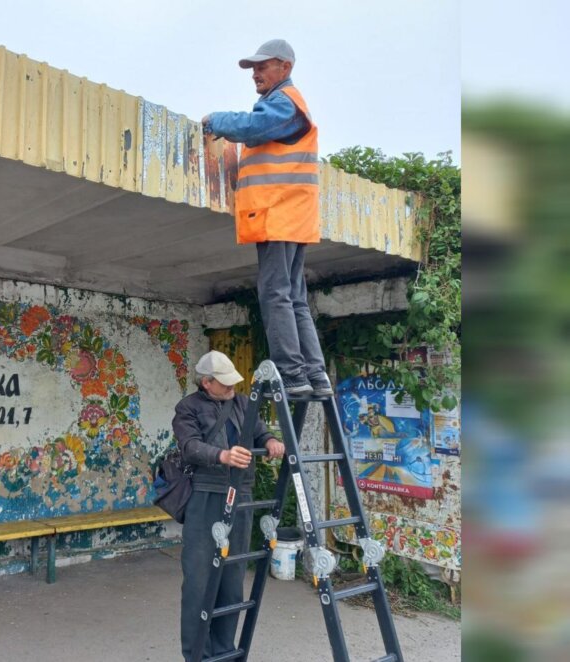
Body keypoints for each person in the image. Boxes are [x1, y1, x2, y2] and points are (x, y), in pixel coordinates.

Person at [202, 39, 332, 397]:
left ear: (285, 68)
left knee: (275, 294)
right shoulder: (287, 104)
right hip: (291, 216)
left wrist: (216, 121)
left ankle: (292, 374)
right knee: (293, 297)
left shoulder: (284, 103)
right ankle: (315, 376)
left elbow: (252, 127)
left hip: (279, 213)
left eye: (263, 66)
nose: (255, 74)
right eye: (253, 68)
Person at [172, 350, 285, 661]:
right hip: (206, 496)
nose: (232, 386)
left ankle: (224, 652)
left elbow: (261, 430)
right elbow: (189, 446)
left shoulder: (242, 402)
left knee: (232, 580)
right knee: (199, 579)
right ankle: (196, 654)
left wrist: (272, 440)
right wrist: (222, 456)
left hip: (241, 495)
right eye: (225, 382)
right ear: (207, 382)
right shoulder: (188, 408)